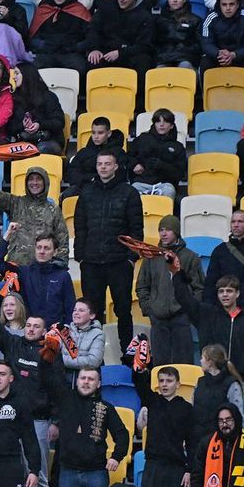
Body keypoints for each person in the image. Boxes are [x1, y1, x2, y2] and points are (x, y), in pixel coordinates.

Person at [73, 146, 144, 354]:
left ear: (115, 167)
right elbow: (80, 226)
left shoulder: (129, 193)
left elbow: (136, 229)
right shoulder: (86, 193)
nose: (103, 167)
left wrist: (131, 258)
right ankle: (93, 358)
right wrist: (81, 256)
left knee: (123, 311)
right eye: (100, 164)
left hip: (120, 262)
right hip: (91, 263)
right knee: (93, 314)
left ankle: (128, 357)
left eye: (107, 164)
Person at [46, 366, 130, 487]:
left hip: (96, 473)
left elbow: (122, 435)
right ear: (76, 381)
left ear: (98, 384)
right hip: (68, 472)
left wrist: (116, 457)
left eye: (91, 379)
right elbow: (48, 379)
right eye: (83, 378)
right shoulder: (64, 401)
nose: (86, 382)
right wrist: (48, 361)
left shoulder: (106, 408)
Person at [174, 270, 244, 403]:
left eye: (229, 291)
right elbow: (184, 299)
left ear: (237, 293)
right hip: (211, 382)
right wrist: (177, 274)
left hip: (239, 383)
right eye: (221, 291)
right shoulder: (206, 314)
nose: (224, 295)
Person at [137, 215, 203, 365]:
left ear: (176, 232)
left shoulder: (190, 257)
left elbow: (199, 288)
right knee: (160, 366)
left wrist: (189, 311)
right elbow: (142, 286)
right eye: (161, 230)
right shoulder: (151, 257)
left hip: (181, 318)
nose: (163, 233)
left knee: (183, 364)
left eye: (168, 230)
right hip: (158, 319)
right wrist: (149, 309)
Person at [132, 361, 193, 487]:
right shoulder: (153, 401)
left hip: (176, 466)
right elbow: (140, 385)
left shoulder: (186, 408)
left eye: (169, 381)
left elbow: (192, 442)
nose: (164, 384)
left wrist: (189, 470)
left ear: (178, 384)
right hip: (153, 464)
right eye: (161, 381)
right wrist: (140, 370)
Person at [0, 166, 69, 266]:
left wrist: (59, 265)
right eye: (31, 179)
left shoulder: (53, 209)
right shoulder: (15, 203)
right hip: (16, 266)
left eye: (38, 179)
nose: (34, 183)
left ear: (45, 182)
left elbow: (62, 239)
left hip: (43, 269)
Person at [0, 228, 75, 328]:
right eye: (39, 247)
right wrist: (7, 235)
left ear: (55, 252)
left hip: (54, 333)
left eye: (46, 248)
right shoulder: (24, 272)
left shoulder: (63, 276)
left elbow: (70, 308)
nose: (42, 251)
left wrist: (65, 330)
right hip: (29, 331)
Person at [83, 0, 155, 78]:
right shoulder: (107, 5)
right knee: (92, 60)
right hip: (106, 51)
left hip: (129, 54)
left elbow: (145, 46)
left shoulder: (145, 16)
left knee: (143, 62)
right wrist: (94, 49)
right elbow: (93, 28)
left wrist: (120, 53)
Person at [26, 0, 91, 77]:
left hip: (71, 54)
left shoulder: (79, 10)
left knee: (81, 68)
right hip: (46, 54)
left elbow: (90, 37)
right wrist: (44, 45)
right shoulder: (43, 10)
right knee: (33, 68)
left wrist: (75, 46)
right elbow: (32, 39)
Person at [191, 343, 244, 442]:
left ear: (209, 361)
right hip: (199, 438)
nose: (200, 361)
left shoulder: (231, 384)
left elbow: (238, 415)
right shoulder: (200, 382)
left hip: (222, 439)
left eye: (202, 358)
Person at [127, 107, 185, 199]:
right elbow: (128, 157)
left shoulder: (178, 147)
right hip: (141, 182)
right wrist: (134, 165)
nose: (161, 124)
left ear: (171, 126)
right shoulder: (142, 139)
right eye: (158, 121)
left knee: (169, 190)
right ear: (154, 124)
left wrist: (162, 165)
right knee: (132, 190)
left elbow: (179, 173)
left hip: (165, 185)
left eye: (166, 121)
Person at [8, 66, 67, 156]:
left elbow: (59, 122)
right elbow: (9, 128)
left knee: (40, 149)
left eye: (17, 73)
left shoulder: (48, 96)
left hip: (50, 140)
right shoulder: (14, 99)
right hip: (24, 141)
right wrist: (22, 125)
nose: (14, 77)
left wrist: (39, 125)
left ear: (27, 75)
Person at [199, 0, 244, 74]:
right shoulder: (210, 18)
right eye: (224, 4)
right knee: (205, 62)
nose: (228, 8)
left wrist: (234, 54)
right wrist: (218, 53)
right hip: (218, 57)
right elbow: (206, 43)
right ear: (219, 5)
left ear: (238, 5)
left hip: (240, 56)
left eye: (231, 4)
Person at [64, 116, 129, 190]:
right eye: (93, 133)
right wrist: (91, 178)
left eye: (100, 133)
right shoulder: (83, 152)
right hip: (85, 189)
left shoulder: (118, 152)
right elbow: (72, 174)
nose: (96, 136)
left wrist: (93, 179)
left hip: (111, 190)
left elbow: (120, 175)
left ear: (109, 134)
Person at [155, 0, 203, 70]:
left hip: (186, 57)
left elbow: (199, 44)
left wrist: (185, 49)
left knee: (184, 66)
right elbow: (154, 42)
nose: (175, 0)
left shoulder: (195, 20)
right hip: (164, 58)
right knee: (160, 70)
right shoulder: (159, 20)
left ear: (184, 0)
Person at [59, 297, 106, 378]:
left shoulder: (98, 334)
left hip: (86, 380)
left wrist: (61, 360)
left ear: (92, 315)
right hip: (63, 379)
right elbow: (51, 355)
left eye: (81, 310)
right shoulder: (64, 330)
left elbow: (93, 361)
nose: (76, 313)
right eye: (74, 310)